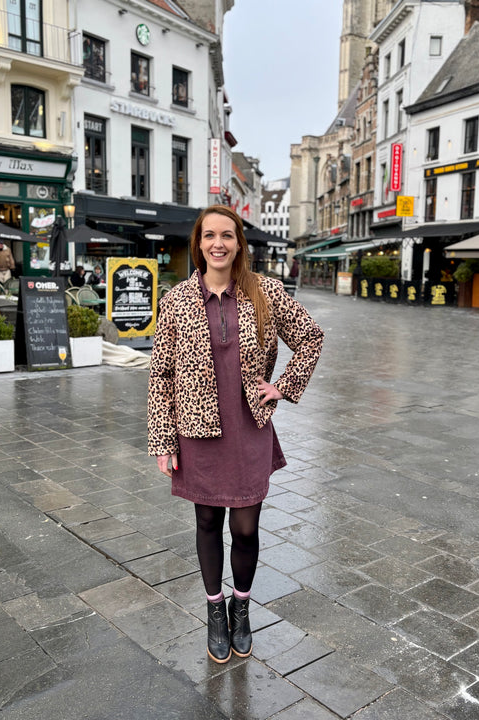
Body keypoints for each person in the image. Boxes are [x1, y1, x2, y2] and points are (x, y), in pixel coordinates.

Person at [147, 205, 324, 664]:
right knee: (207, 522)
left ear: (239, 243)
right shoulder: (177, 301)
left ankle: (241, 606)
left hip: (248, 428)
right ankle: (215, 611)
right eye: (209, 235)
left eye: (227, 235)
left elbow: (309, 337)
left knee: (245, 528)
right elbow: (161, 375)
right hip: (196, 431)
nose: (218, 243)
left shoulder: (265, 292)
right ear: (198, 243)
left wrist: (283, 386)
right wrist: (164, 441)